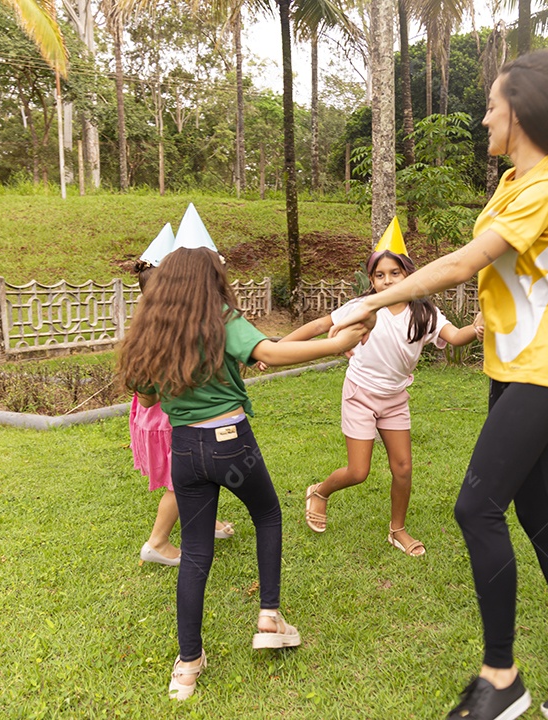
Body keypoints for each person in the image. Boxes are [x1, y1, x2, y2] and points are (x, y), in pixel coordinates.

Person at [332, 51, 548, 720]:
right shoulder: (515, 179)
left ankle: (500, 677)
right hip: (513, 370)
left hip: (545, 373)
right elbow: (498, 275)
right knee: (538, 514)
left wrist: (376, 301)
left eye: (492, 104)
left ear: (522, 112)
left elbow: (465, 263)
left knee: (475, 508)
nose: (484, 115)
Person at [116, 204, 367, 702]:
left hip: (185, 453)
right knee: (268, 515)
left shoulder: (152, 331)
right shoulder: (222, 318)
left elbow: (145, 398)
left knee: (196, 557)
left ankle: (187, 666)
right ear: (210, 279)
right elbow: (269, 353)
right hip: (233, 445)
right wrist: (335, 344)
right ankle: (269, 617)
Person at [283, 219, 482, 557]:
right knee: (358, 471)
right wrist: (276, 349)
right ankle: (319, 492)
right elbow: (319, 325)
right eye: (379, 274)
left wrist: (476, 328)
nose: (387, 280)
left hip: (395, 399)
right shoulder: (362, 308)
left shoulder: (425, 312)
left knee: (403, 468)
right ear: (370, 279)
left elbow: (454, 338)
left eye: (395, 273)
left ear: (409, 275)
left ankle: (397, 530)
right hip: (360, 393)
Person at [129, 223, 235, 568]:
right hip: (168, 417)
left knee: (200, 473)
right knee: (182, 480)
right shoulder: (167, 325)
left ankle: (204, 521)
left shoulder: (156, 320)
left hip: (163, 414)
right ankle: (157, 542)